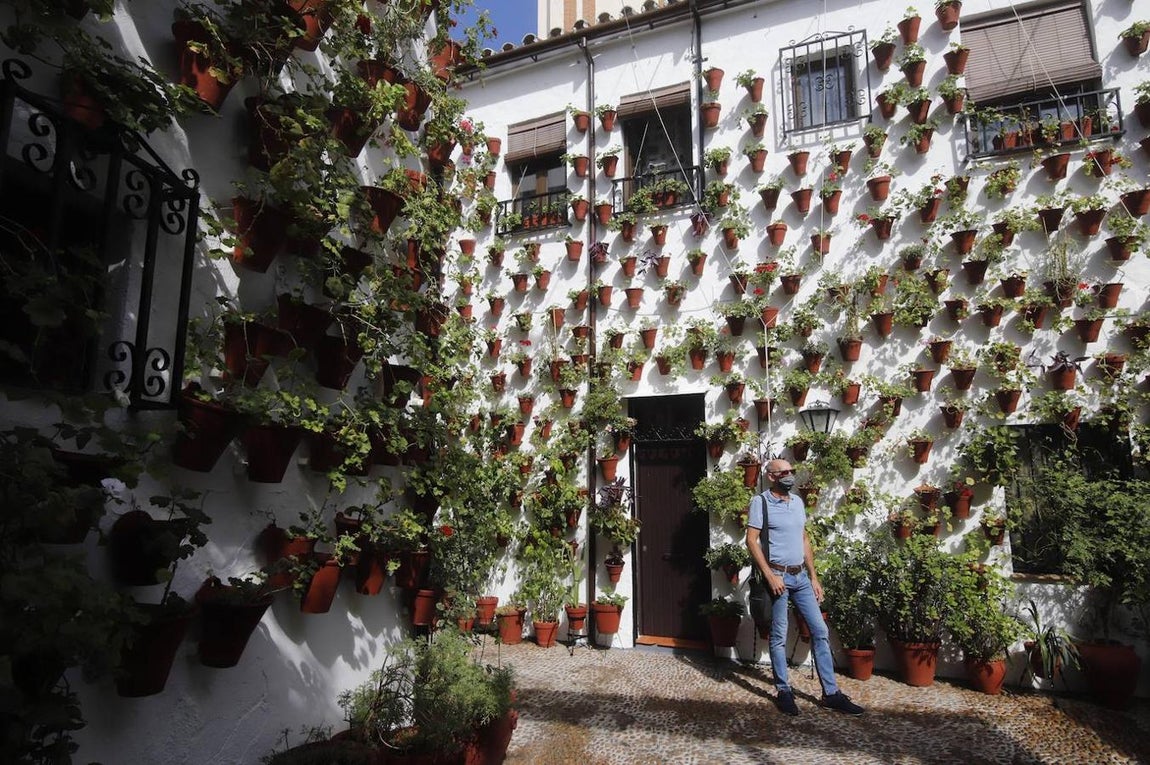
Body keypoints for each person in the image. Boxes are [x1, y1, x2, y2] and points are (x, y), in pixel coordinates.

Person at [745, 458, 864, 717]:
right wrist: (769, 575)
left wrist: (814, 576)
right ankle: (784, 691)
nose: (790, 475)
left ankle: (831, 694)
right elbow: (751, 541)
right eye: (784, 472)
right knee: (779, 635)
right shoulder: (761, 502)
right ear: (772, 476)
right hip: (777, 577)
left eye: (791, 471)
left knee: (820, 630)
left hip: (800, 578)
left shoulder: (797, 501)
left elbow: (804, 537)